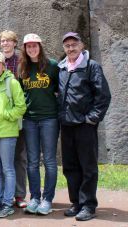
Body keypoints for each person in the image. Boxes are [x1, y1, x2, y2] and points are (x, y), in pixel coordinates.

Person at [58, 32, 111, 221]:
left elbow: (103, 95)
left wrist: (92, 118)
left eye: (74, 44)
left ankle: (88, 205)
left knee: (88, 167)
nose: (70, 48)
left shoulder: (91, 66)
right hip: (67, 125)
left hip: (84, 125)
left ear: (81, 45)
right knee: (70, 166)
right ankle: (76, 203)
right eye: (67, 46)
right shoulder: (62, 67)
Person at [18, 34, 59, 215]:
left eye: (35, 46)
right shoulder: (23, 68)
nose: (32, 49)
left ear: (40, 47)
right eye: (28, 46)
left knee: (49, 161)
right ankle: (35, 197)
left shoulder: (52, 65)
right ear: (25, 49)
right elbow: (21, 94)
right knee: (32, 161)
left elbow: (60, 89)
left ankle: (47, 199)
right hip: (30, 119)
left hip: (49, 118)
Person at [0, 51, 26, 218]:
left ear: (3, 65)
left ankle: (8, 203)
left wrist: (7, 116)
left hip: (7, 132)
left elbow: (21, 107)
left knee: (8, 168)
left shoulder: (12, 83)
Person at [0, 30, 28, 208]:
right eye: (3, 41)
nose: (6, 44)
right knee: (3, 159)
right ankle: (3, 193)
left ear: (15, 43)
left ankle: (19, 194)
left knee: (19, 156)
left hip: (18, 115)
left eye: (9, 41)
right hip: (1, 117)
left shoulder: (22, 62)